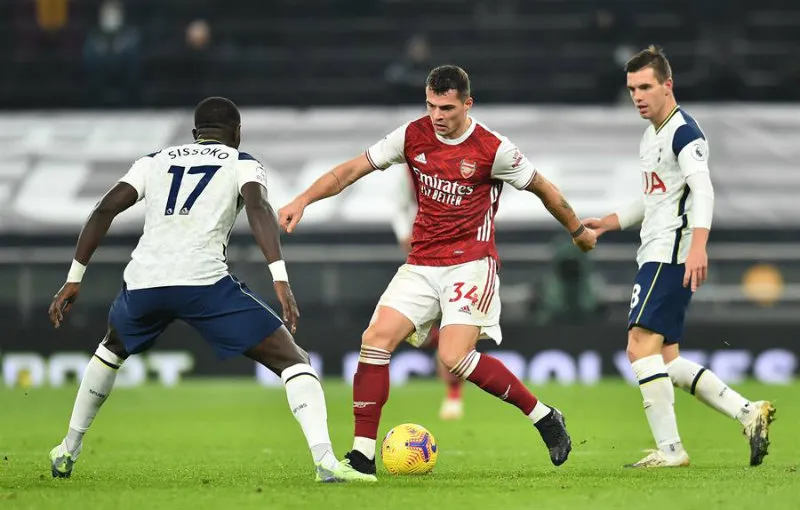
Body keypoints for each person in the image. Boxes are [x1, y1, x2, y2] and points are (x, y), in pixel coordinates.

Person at [279, 65, 597, 477]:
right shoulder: (412, 135)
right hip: (423, 263)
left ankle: (543, 415)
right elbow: (350, 170)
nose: (437, 116)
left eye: (446, 107)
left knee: (454, 357)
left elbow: (544, 189)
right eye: (431, 106)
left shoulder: (493, 148)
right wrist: (303, 199)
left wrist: (577, 231)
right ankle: (361, 456)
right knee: (374, 340)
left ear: (468, 103)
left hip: (471, 264)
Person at [46, 97, 374, 483]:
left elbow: (104, 209)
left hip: (144, 282)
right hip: (203, 282)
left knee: (110, 350)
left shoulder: (154, 160)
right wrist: (280, 277)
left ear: (193, 134)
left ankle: (68, 449)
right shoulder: (242, 162)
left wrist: (74, 277)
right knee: (295, 360)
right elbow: (258, 208)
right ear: (237, 133)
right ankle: (324, 461)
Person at [583, 46, 776, 468]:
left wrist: (699, 247)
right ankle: (748, 412)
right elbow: (654, 197)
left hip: (670, 251)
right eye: (632, 87)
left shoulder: (684, 132)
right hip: (656, 248)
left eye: (646, 86)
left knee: (638, 349)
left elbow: (702, 189)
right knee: (665, 360)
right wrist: (609, 222)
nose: (637, 95)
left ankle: (671, 451)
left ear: (667, 85)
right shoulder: (651, 134)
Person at [391, 168, 464, 420]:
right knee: (406, 327)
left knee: (453, 328)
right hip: (421, 254)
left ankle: (453, 394)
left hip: (458, 255)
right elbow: (400, 206)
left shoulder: (461, 163)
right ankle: (434, 342)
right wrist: (404, 234)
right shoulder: (411, 170)